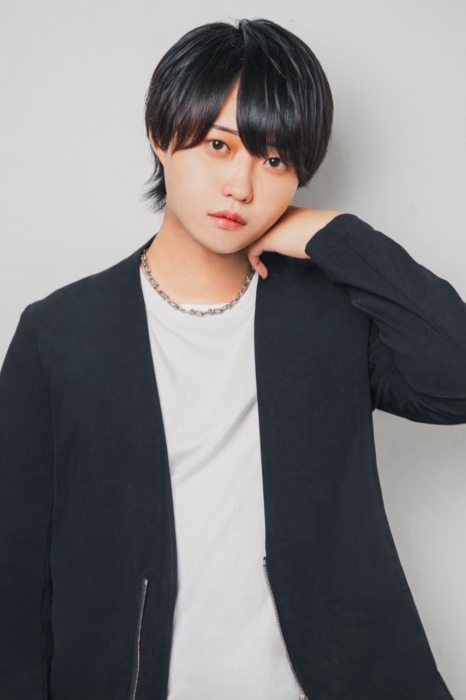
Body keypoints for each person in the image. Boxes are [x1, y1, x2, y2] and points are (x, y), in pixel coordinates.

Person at [0, 16, 463, 700]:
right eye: (219, 145)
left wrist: (337, 236)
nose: (241, 187)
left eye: (274, 160)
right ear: (160, 135)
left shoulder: (330, 317)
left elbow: (456, 380)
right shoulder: (60, 334)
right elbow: (14, 572)